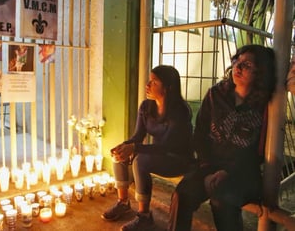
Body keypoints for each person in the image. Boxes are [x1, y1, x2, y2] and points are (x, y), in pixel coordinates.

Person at [168, 44, 277, 231]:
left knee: (223, 198)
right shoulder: (216, 94)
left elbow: (258, 152)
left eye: (247, 65)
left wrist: (228, 172)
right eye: (237, 61)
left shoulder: (266, 105)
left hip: (243, 171)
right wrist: (207, 168)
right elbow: (200, 134)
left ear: (261, 73)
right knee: (182, 194)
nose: (238, 67)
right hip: (209, 165)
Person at [101, 65, 194, 231]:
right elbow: (138, 136)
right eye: (149, 81)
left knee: (140, 160)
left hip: (177, 159)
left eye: (154, 82)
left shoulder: (180, 112)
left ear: (168, 88)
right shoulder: (146, 107)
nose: (147, 85)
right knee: (121, 154)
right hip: (158, 154)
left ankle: (144, 216)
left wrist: (135, 148)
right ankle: (123, 203)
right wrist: (125, 147)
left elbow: (167, 146)